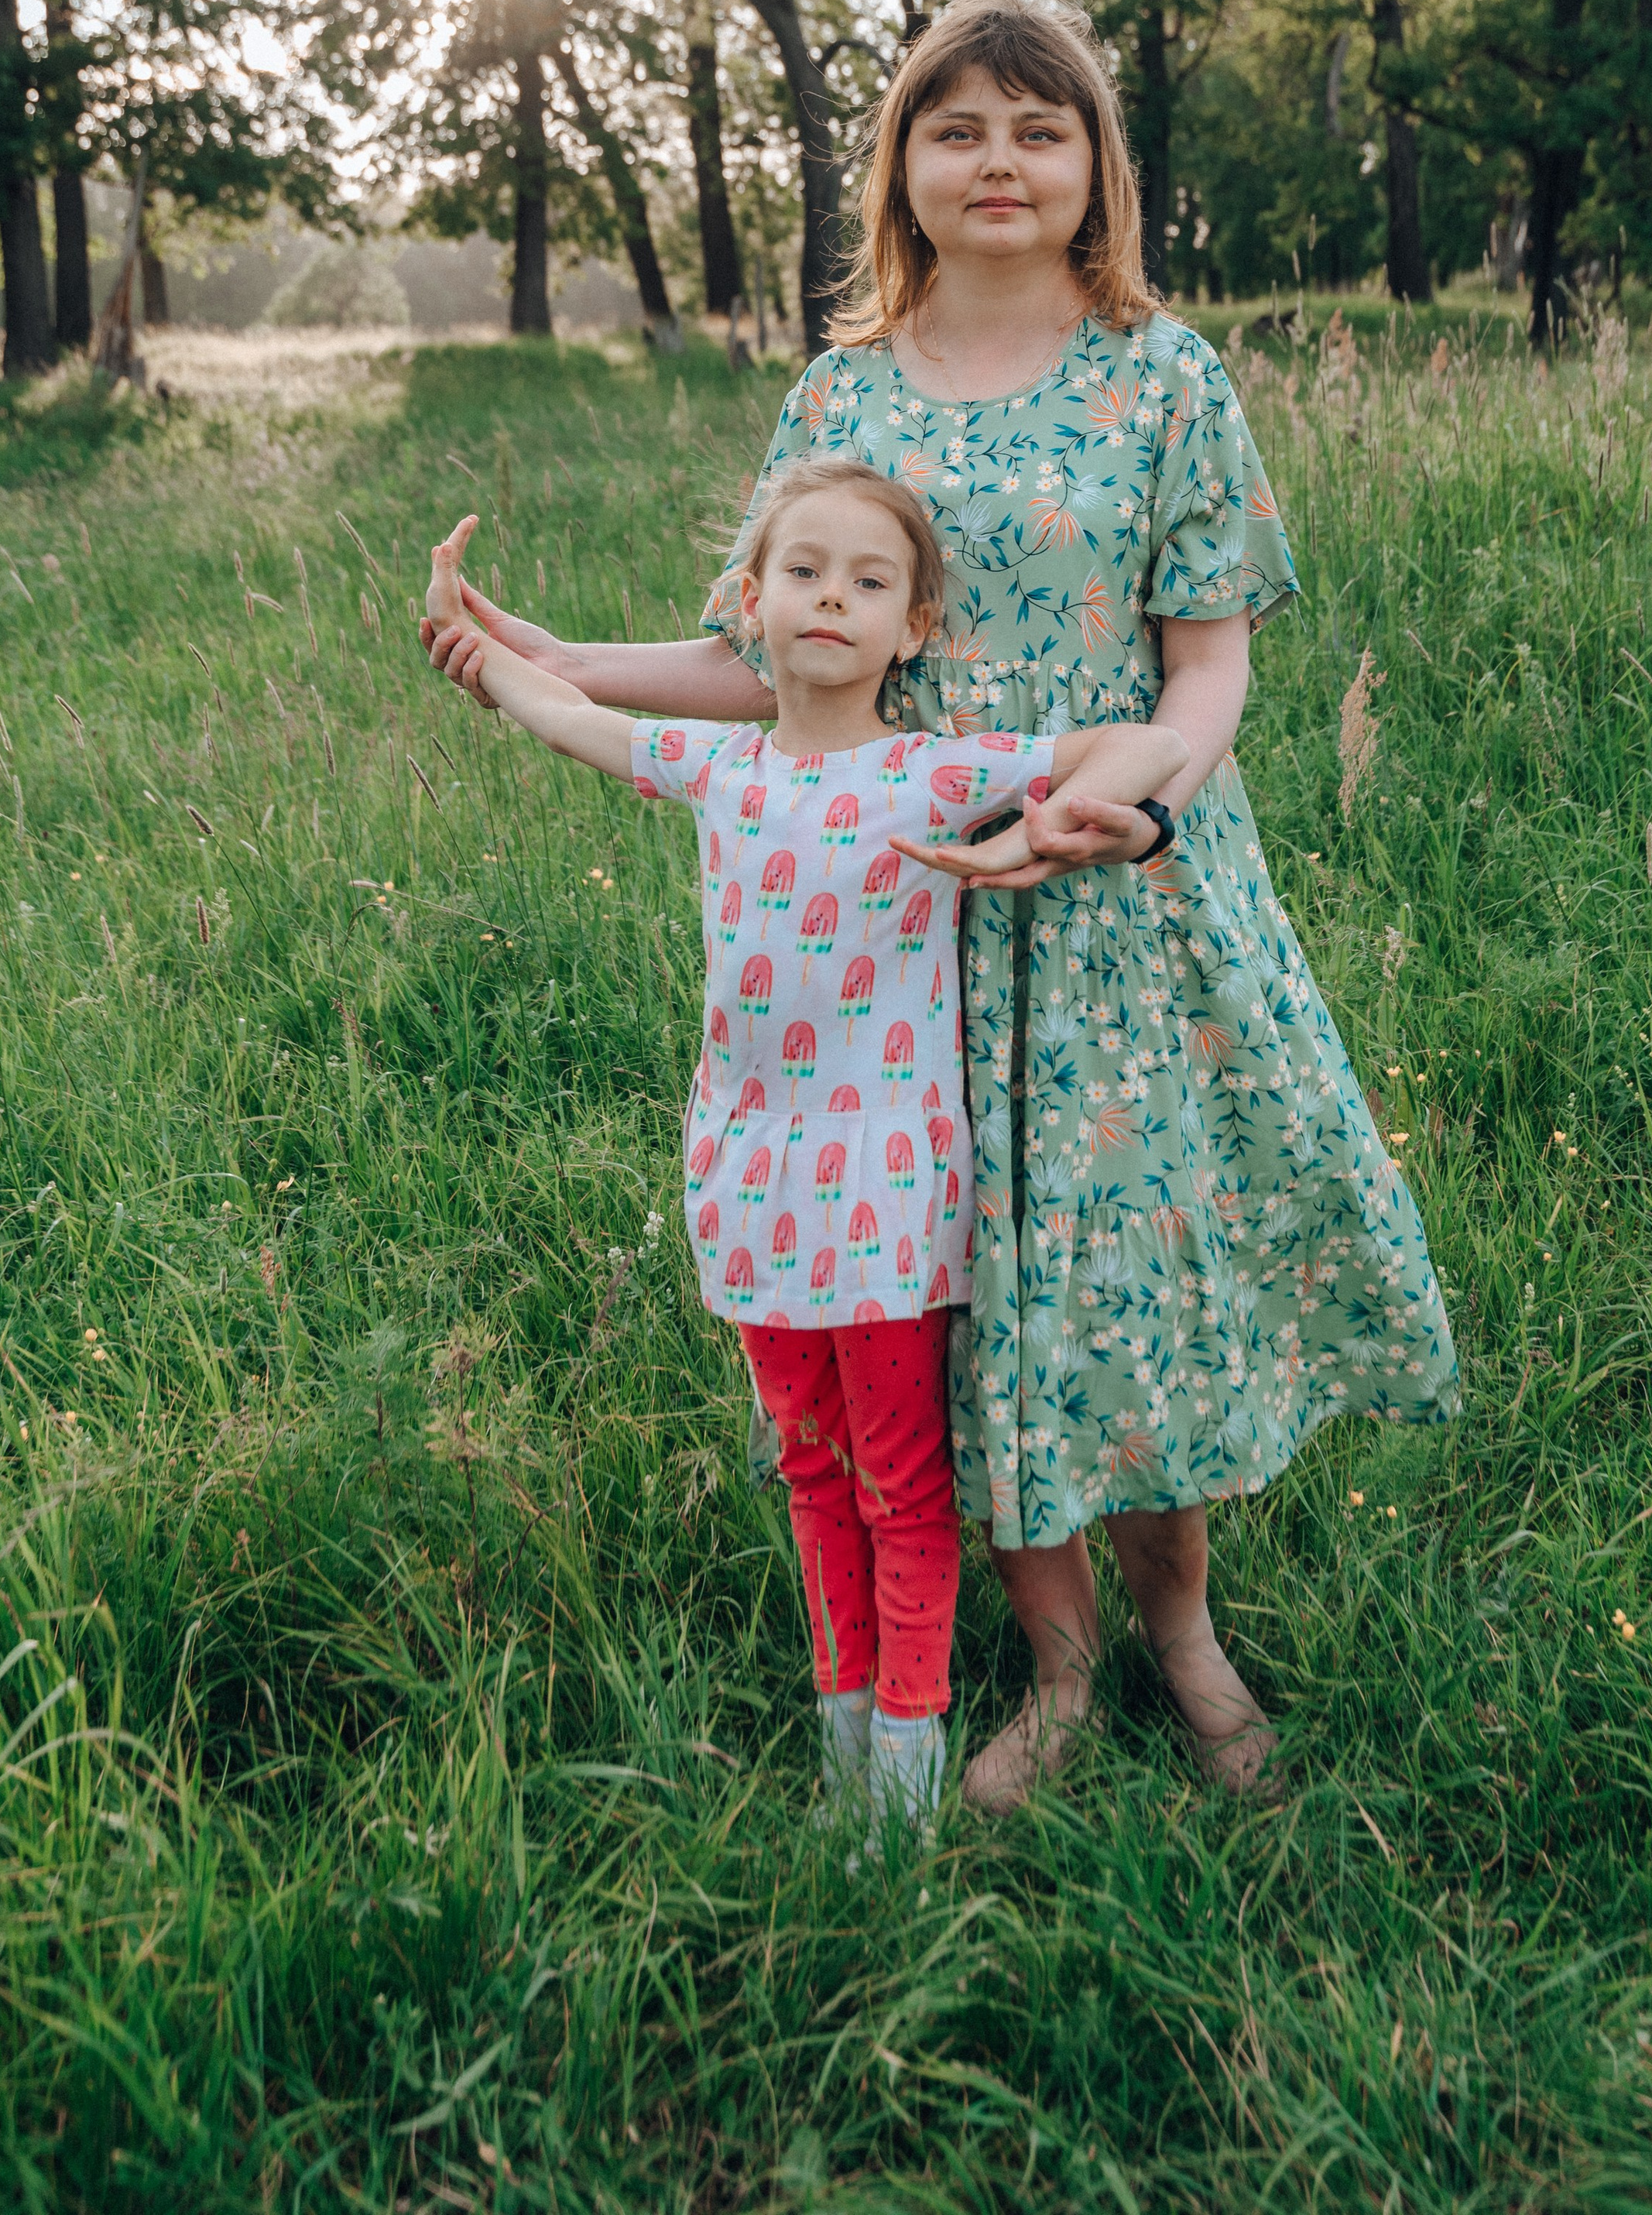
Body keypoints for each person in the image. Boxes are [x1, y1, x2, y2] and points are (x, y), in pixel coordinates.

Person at [423, 0, 1460, 1812]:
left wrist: (1114, 797)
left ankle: (1181, 1632)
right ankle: (1051, 1670)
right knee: (964, 1304)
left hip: (1114, 891)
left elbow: (1204, 679)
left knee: (1119, 1273)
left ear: (1093, 168)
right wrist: (547, 652)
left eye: (1039, 129)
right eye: (958, 126)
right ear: (901, 158)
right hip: (894, 924)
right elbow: (776, 649)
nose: (999, 161)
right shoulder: (842, 389)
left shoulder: (1164, 376)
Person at [422, 461, 1184, 1839]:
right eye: (804, 572)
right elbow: (566, 712)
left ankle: (901, 1786)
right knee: (813, 1475)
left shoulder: (933, 772)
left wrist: (1098, 811)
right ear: (752, 605)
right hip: (750, 1184)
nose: (831, 597)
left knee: (899, 1486)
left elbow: (1126, 742)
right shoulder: (719, 764)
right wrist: (478, 645)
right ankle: (847, 1764)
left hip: (889, 1199)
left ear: (916, 631)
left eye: (869, 581)